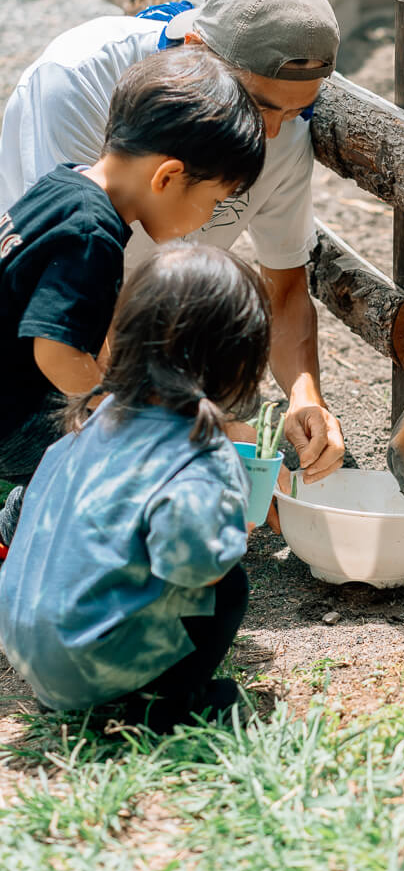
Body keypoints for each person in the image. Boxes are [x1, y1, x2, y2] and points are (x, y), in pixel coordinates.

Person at [0, 0, 346, 487]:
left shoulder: (83, 183)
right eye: (258, 105)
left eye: (297, 113)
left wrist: (305, 393)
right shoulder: (76, 81)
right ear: (196, 52)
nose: (273, 134)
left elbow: (285, 287)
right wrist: (141, 418)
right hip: (31, 387)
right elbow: (64, 340)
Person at [0, 45, 265, 547]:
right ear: (167, 177)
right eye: (212, 201)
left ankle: (24, 530)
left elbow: (84, 328)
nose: (208, 220)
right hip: (12, 416)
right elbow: (56, 351)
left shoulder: (67, 185)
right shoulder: (91, 233)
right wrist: (116, 417)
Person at [0, 244, 271, 732]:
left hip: (27, 650)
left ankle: (71, 692)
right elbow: (194, 567)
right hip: (90, 664)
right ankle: (169, 709)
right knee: (229, 588)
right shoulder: (198, 455)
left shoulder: (91, 422)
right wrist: (231, 531)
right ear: (237, 362)